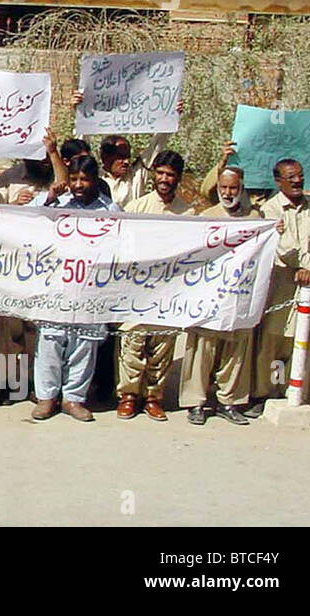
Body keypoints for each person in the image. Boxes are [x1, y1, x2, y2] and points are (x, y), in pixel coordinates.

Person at [28, 156, 120, 422]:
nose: (79, 185)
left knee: (84, 345)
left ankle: (73, 398)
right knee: (50, 342)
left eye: (84, 179)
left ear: (95, 180)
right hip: (57, 286)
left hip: (91, 288)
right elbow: (27, 222)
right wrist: (49, 198)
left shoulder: (109, 211)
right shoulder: (59, 204)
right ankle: (46, 397)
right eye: (74, 179)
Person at [117, 150, 194, 422]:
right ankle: (128, 396)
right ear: (153, 175)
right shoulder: (136, 208)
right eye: (160, 173)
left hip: (168, 289)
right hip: (137, 287)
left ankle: (153, 397)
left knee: (161, 345)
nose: (164, 179)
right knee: (134, 341)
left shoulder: (188, 212)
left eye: (170, 175)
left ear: (178, 178)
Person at [250, 158, 310, 417]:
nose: (297, 181)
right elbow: (285, 247)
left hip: (309, 288)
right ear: (279, 181)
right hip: (281, 287)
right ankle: (267, 393)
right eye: (291, 177)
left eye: (300, 176)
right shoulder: (271, 209)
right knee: (275, 344)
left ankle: (292, 392)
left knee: (302, 341)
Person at [181, 164, 259, 426]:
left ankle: (229, 401)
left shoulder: (256, 219)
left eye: (233, 188)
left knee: (236, 349)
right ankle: (196, 402)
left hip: (240, 295)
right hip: (210, 296)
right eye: (224, 187)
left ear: (241, 188)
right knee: (203, 348)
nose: (228, 193)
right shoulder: (207, 217)